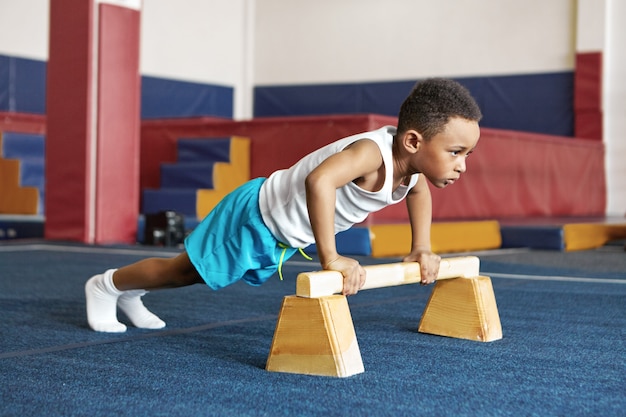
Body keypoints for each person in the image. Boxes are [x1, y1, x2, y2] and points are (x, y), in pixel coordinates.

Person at [85, 78, 483, 333]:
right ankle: (107, 286)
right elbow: (319, 180)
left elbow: (417, 191)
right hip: (254, 217)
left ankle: (131, 293)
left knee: (190, 274)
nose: (462, 165)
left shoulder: (409, 168)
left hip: (279, 234)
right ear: (413, 141)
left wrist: (422, 246)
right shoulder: (370, 153)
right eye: (456, 152)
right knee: (183, 272)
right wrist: (332, 257)